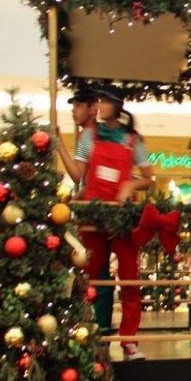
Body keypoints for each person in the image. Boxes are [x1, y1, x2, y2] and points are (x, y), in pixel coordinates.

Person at [70, 85, 154, 361]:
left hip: (122, 218)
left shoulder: (132, 140)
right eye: (98, 102)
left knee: (129, 278)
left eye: (104, 102)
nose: (99, 107)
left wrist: (131, 185)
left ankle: (129, 342)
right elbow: (79, 175)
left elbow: (148, 178)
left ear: (116, 106)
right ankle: (93, 336)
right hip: (93, 216)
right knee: (92, 277)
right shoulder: (87, 136)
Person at [54, 86, 117, 336]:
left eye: (79, 105)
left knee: (93, 268)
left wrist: (59, 145)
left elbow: (78, 175)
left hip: (93, 214)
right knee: (99, 269)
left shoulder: (88, 136)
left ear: (93, 109)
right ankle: (101, 325)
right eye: (73, 106)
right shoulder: (103, 135)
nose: (74, 111)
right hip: (105, 209)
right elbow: (90, 182)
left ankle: (96, 327)